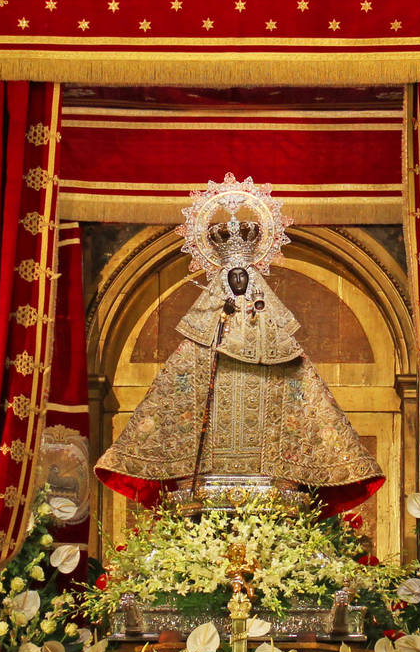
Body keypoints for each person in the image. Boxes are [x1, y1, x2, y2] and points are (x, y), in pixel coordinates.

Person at [95, 182, 382, 515]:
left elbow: (306, 396)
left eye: (244, 276)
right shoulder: (203, 338)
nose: (239, 282)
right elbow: (172, 393)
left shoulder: (278, 345)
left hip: (269, 468)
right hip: (208, 466)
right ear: (222, 280)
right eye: (232, 276)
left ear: (254, 279)